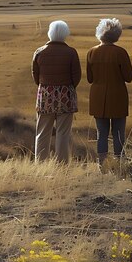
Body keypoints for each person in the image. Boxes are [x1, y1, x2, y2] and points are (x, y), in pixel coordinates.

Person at [32, 20, 81, 162]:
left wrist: (46, 88)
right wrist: (66, 89)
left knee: (42, 132)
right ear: (65, 34)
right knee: (63, 133)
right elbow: (76, 76)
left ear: (50, 33)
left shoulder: (39, 52)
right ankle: (62, 164)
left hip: (45, 95)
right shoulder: (71, 52)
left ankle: (40, 164)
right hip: (66, 95)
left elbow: (36, 76)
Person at [87, 18, 132, 166]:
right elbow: (129, 77)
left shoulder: (91, 52)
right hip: (118, 96)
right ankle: (120, 161)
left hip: (98, 97)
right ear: (117, 35)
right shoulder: (120, 52)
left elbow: (89, 78)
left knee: (102, 133)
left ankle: (102, 164)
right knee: (119, 133)